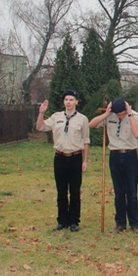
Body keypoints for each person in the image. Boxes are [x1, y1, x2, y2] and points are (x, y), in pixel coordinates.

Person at [36, 90, 90, 232]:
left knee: (74, 191)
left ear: (76, 102)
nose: (68, 102)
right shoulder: (56, 117)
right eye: (66, 99)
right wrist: (41, 113)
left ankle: (74, 221)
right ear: (63, 102)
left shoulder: (82, 119)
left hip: (75, 157)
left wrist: (85, 161)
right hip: (60, 158)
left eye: (71, 99)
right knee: (61, 191)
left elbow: (86, 141)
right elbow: (40, 127)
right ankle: (62, 221)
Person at [89, 98, 138, 235]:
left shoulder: (134, 116)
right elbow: (91, 124)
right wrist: (106, 114)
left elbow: (137, 134)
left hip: (130, 155)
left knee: (131, 191)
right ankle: (120, 223)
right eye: (117, 113)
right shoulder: (110, 115)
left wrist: (129, 115)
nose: (119, 116)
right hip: (115, 155)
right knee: (119, 192)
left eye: (122, 113)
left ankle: (135, 223)